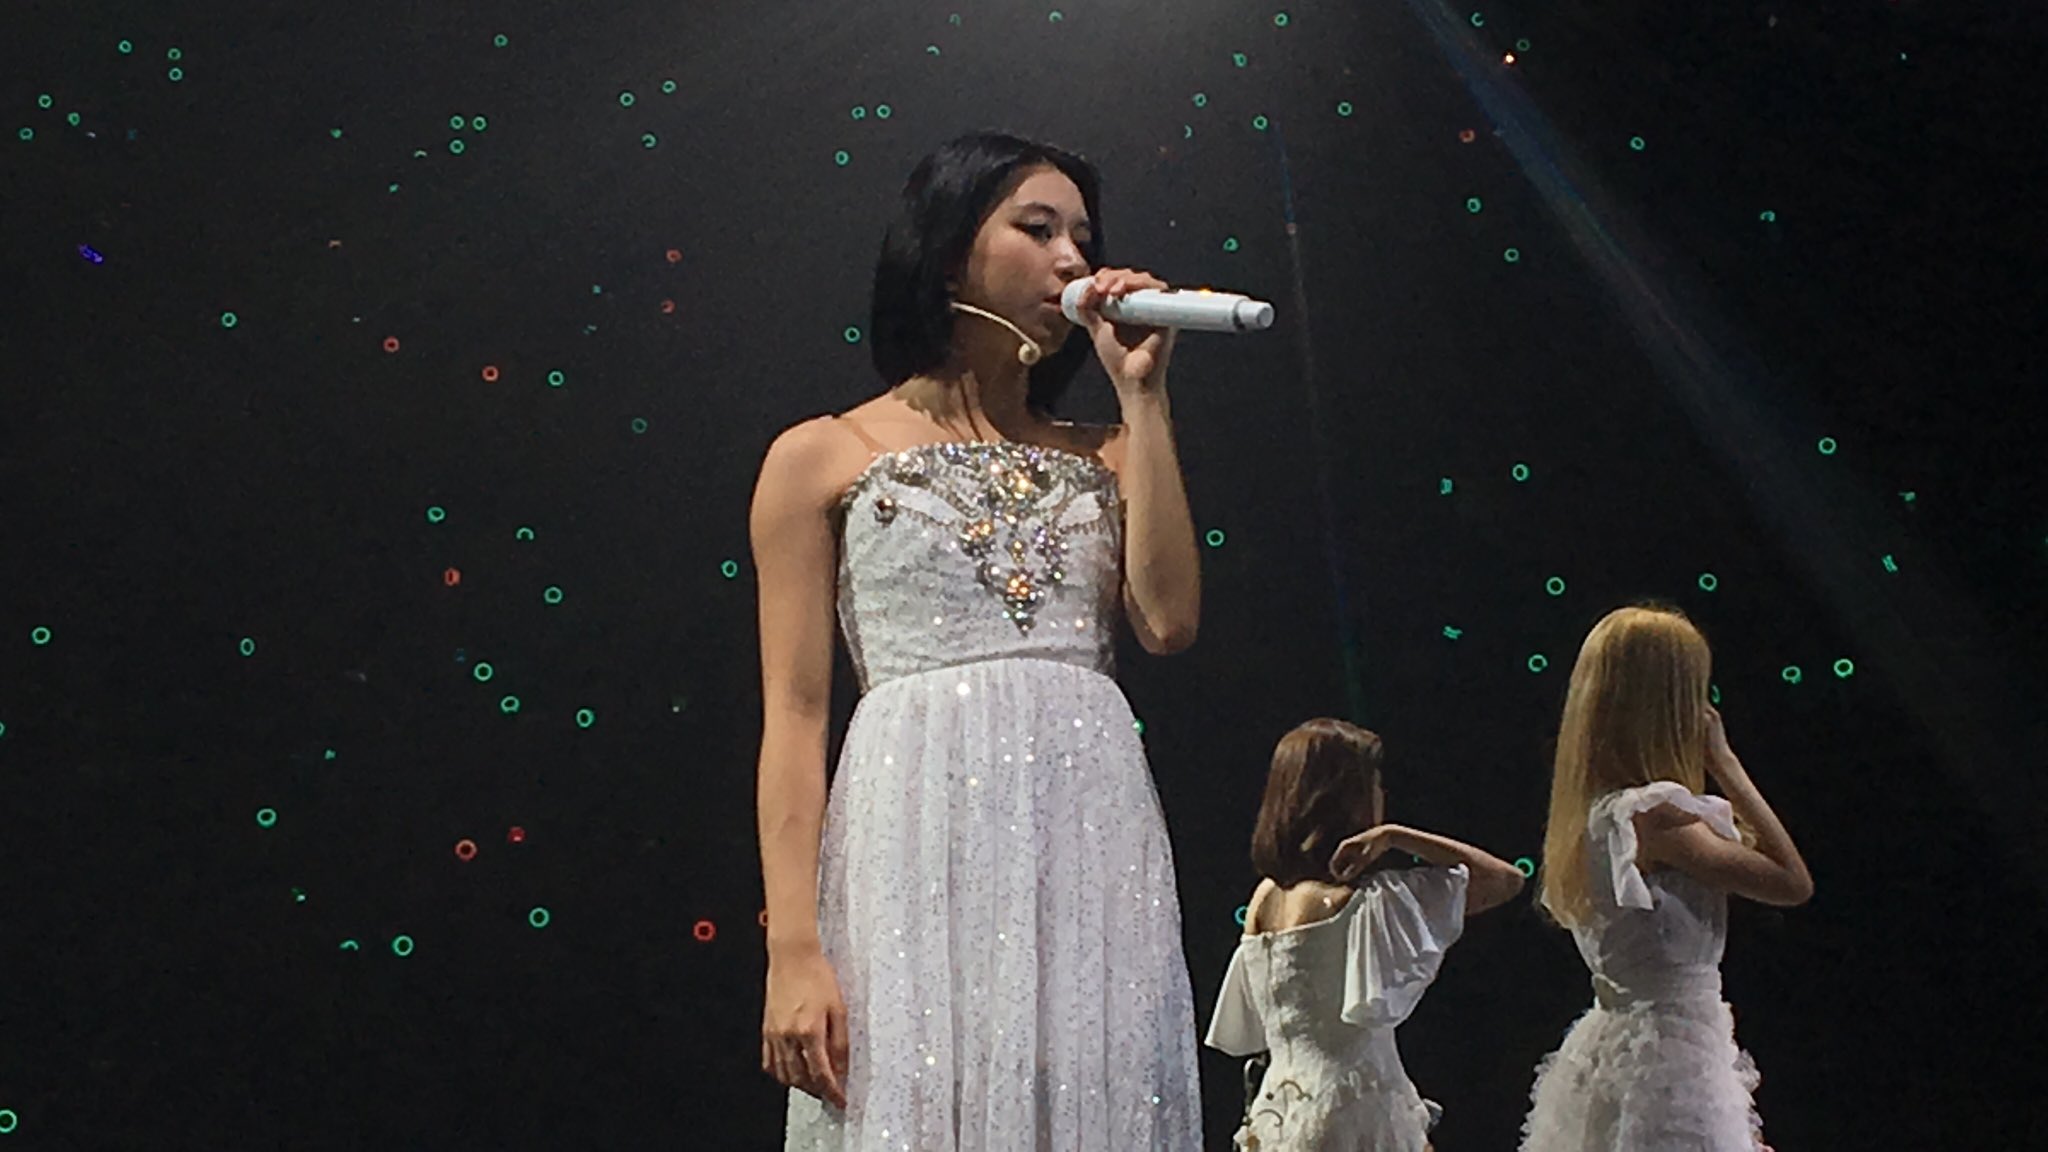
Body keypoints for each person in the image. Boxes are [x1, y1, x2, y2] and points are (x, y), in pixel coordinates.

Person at [751, 131, 1206, 1150]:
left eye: (1081, 237)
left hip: (1085, 835)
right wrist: (794, 949)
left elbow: (1170, 622)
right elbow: (794, 714)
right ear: (950, 251)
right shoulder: (820, 456)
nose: (1071, 259)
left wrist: (1143, 393)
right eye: (1036, 229)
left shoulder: (1111, 449)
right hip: (909, 837)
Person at [1521, 604, 1813, 1152]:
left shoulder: (1595, 814)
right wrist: (1724, 762)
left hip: (1614, 1050)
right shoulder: (1653, 815)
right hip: (1670, 1061)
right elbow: (1791, 881)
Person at [1205, 718, 1525, 1150]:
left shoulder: (1264, 899)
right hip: (1355, 1111)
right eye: (1373, 783)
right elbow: (1504, 880)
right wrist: (1396, 836)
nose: (1382, 794)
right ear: (1345, 796)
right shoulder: (1368, 903)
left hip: (1277, 1115)